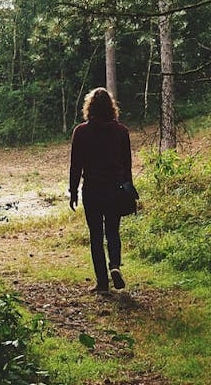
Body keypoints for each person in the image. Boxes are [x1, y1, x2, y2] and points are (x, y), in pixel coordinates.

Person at [68, 87, 132, 294]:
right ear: (111, 107)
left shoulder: (81, 132)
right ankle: (114, 265)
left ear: (90, 107)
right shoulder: (121, 131)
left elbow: (75, 165)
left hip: (92, 190)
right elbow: (127, 165)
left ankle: (102, 283)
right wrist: (128, 190)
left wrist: (73, 191)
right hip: (114, 189)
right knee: (113, 230)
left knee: (96, 235)